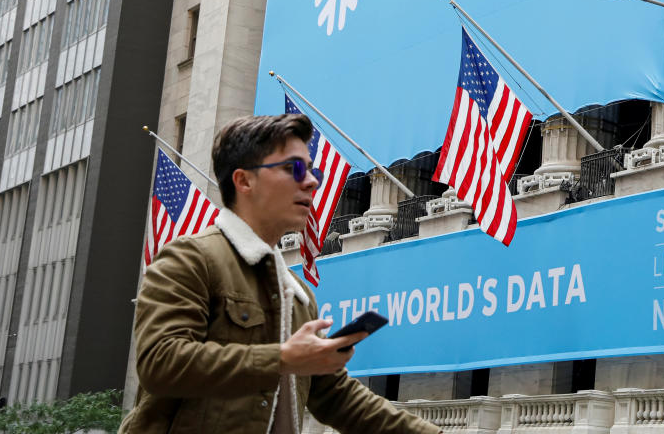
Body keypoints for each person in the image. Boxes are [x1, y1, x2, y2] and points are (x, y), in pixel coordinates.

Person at [120, 114, 441, 433]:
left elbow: (337, 396)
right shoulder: (190, 259)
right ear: (244, 181)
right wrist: (282, 358)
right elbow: (159, 362)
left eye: (312, 170)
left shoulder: (297, 295)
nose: (312, 181)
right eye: (294, 169)